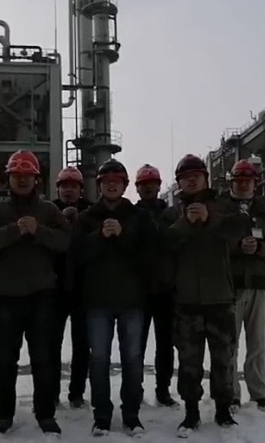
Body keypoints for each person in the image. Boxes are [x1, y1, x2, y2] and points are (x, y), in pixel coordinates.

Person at [0, 150, 71, 436]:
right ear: (9, 179)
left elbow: (65, 241)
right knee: (5, 359)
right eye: (16, 175)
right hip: (5, 296)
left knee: (43, 357)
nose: (21, 180)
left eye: (26, 176)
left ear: (36, 179)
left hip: (42, 295)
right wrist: (13, 231)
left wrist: (38, 231)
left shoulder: (48, 211)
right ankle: (4, 414)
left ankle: (45, 414)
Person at [73, 159, 157, 437]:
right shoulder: (86, 218)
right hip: (97, 301)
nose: (111, 185)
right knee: (99, 360)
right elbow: (76, 255)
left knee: (132, 359)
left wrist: (123, 236)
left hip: (132, 301)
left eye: (116, 181)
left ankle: (131, 415)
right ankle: (102, 416)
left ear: (124, 185)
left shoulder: (139, 217)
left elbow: (150, 256)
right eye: (106, 181)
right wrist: (99, 236)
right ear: (99, 186)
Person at [166, 154, 248, 437]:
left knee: (223, 359)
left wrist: (209, 218)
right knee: (189, 361)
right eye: (185, 177)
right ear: (179, 183)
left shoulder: (223, 207)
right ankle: (191, 411)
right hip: (187, 300)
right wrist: (187, 223)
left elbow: (239, 228)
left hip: (220, 298)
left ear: (205, 179)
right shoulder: (172, 213)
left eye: (196, 176)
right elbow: (163, 243)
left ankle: (224, 409)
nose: (191, 181)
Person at [220, 159, 265, 413]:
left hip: (259, 284)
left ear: (255, 183)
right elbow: (215, 243)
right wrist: (238, 247)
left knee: (258, 341)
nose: (244, 185)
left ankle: (259, 394)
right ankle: (231, 394)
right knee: (229, 343)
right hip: (231, 284)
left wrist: (260, 247)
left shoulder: (263, 212)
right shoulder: (222, 210)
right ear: (232, 183)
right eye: (239, 181)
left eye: (248, 180)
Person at [134, 164, 179, 408]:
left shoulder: (171, 214)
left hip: (165, 289)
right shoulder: (131, 215)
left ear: (159, 186)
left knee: (165, 345)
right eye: (143, 184)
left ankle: (163, 390)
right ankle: (136, 388)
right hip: (139, 291)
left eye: (152, 183)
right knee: (136, 345)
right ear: (137, 188)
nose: (148, 187)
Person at [49, 166, 93, 409]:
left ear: (80, 190)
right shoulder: (48, 211)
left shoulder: (90, 213)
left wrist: (78, 224)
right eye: (64, 186)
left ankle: (76, 393)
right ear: (57, 189)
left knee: (82, 344)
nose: (68, 190)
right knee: (51, 344)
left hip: (83, 288)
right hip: (54, 289)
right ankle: (51, 393)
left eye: (73, 186)